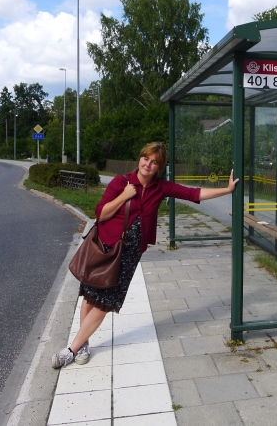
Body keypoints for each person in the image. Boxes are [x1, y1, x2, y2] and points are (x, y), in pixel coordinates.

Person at [52, 142, 238, 368]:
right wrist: (123, 196)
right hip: (106, 246)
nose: (148, 164)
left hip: (130, 255)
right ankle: (79, 347)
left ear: (159, 167)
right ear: (139, 159)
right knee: (91, 295)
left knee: (104, 303)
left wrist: (226, 190)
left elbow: (193, 193)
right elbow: (101, 213)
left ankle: (71, 350)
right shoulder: (121, 182)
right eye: (146, 159)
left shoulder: (161, 187)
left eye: (154, 162)